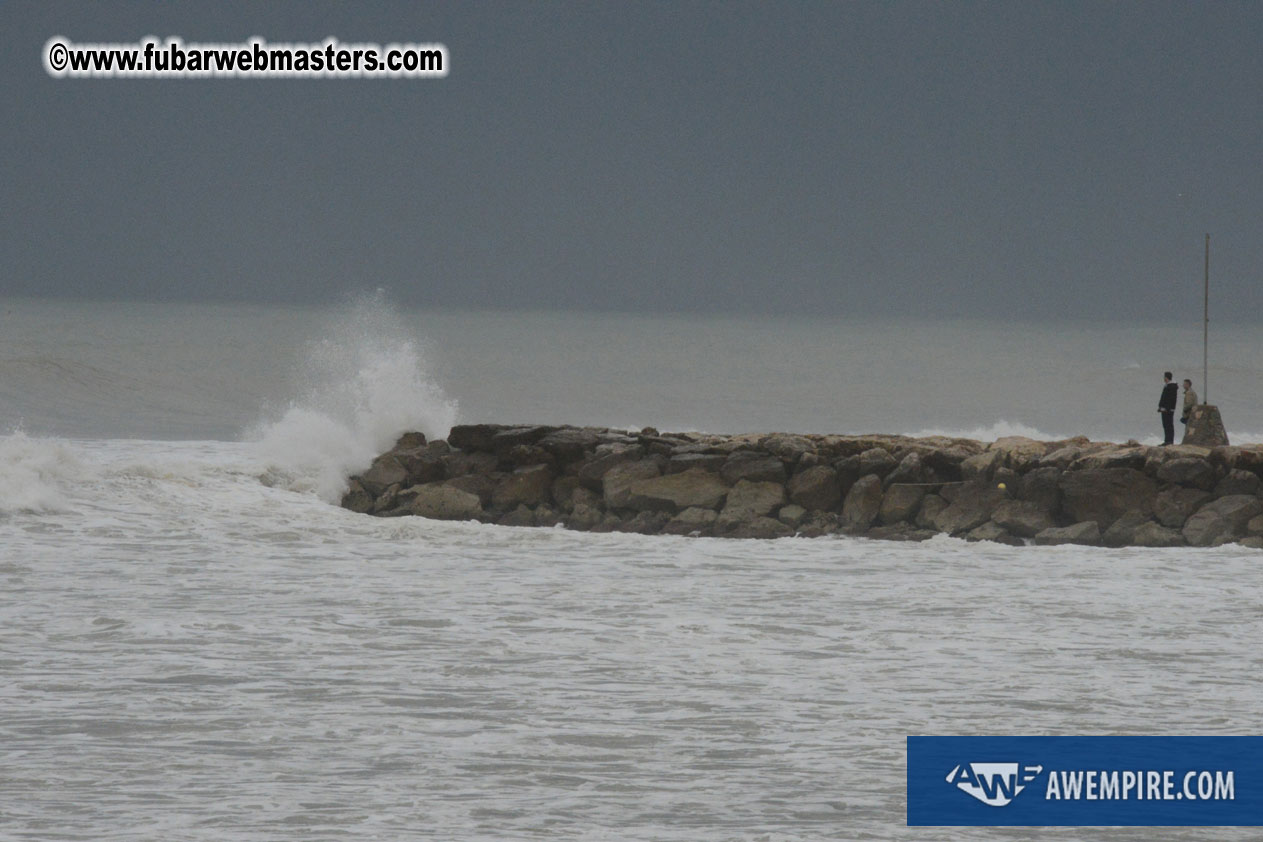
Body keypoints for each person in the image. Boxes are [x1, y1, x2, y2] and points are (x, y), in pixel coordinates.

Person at [1158, 371, 1178, 445]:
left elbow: (1171, 399)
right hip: (1165, 409)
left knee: (1168, 425)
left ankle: (1169, 441)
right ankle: (1167, 440)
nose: (1164, 379)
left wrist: (1168, 408)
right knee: (1166, 425)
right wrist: (1160, 406)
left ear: (1166, 378)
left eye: (1164, 377)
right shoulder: (1168, 385)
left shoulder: (1171, 386)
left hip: (1168, 409)